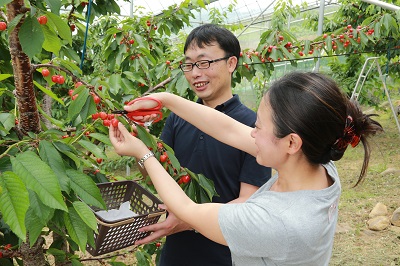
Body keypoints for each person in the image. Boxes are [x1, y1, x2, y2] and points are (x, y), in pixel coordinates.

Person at [109, 71, 383, 265]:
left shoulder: (277, 222)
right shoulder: (319, 162)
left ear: (291, 142)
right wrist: (166, 100)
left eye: (259, 126)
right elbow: (228, 129)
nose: (251, 132)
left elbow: (187, 210)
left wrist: (142, 152)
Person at [134, 24, 272, 265]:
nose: (195, 73)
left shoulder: (253, 126)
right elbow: (153, 172)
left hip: (225, 255)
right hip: (176, 253)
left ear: (231, 64)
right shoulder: (178, 117)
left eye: (204, 62)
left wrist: (188, 220)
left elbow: (248, 202)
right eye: (189, 65)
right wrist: (139, 143)